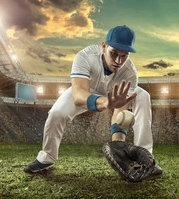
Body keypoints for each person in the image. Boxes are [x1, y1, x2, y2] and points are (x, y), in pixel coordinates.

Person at [24, 25, 162, 176]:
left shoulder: (130, 73)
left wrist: (117, 144)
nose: (118, 60)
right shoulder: (85, 56)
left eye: (124, 56)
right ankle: (47, 157)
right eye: (114, 53)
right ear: (104, 46)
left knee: (143, 96)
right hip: (86, 89)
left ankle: (146, 159)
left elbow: (121, 112)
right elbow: (78, 96)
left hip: (113, 94)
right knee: (57, 113)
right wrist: (105, 103)